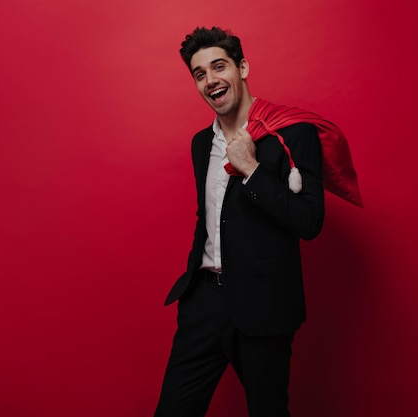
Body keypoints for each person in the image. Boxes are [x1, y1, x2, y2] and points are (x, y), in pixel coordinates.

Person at [155, 26, 360, 417]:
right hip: (204, 303)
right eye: (200, 74)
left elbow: (310, 221)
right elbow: (211, 215)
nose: (211, 80)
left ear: (242, 67)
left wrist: (251, 170)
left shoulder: (293, 134)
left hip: (264, 306)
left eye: (219, 66)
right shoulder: (202, 143)